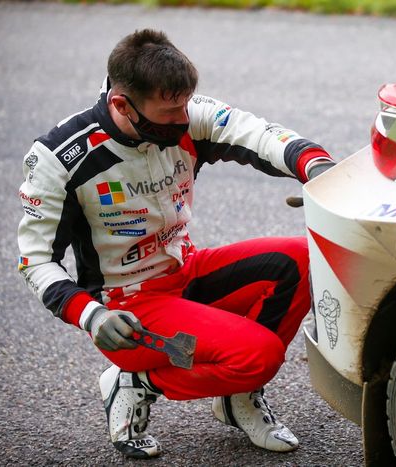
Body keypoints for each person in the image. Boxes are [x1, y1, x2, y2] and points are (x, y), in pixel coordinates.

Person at [17, 29, 335, 459]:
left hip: (186, 271)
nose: (184, 119)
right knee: (260, 356)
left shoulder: (183, 113)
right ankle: (134, 382)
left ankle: (237, 396)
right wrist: (90, 315)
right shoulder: (59, 159)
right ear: (121, 105)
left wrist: (313, 163)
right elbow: (35, 260)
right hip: (129, 308)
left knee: (300, 258)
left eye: (185, 105)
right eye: (170, 111)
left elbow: (255, 133)